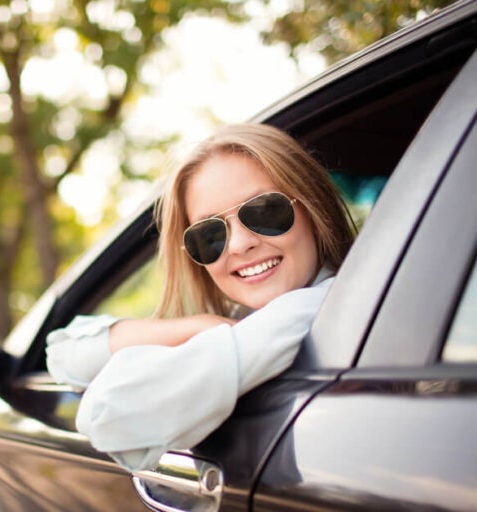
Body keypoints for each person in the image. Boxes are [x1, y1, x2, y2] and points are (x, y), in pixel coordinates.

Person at [46, 123, 356, 471]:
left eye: (266, 211)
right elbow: (64, 354)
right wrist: (201, 326)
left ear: (313, 206)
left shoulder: (319, 306)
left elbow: (107, 416)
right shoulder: (247, 320)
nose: (240, 244)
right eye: (209, 234)